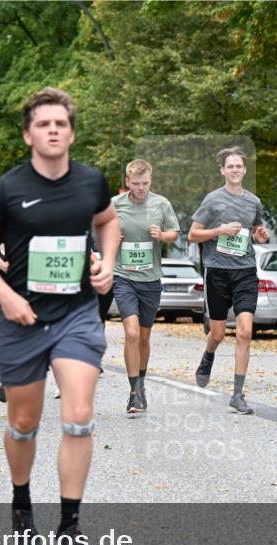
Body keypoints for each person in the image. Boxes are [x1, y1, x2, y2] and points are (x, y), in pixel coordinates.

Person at [0, 87, 120, 545]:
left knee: (77, 414)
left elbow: (108, 221)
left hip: (76, 314)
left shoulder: (91, 181)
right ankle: (21, 500)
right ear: (29, 133)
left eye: (62, 124)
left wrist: (108, 263)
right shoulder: (7, 189)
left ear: (71, 132)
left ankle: (70, 524)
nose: (54, 130)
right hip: (22, 319)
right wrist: (4, 295)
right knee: (24, 423)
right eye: (44, 124)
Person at [187, 146, 270, 415]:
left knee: (245, 331)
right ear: (223, 170)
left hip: (245, 270)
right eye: (230, 166)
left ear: (244, 170)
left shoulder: (253, 201)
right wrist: (219, 230)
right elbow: (192, 235)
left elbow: (255, 230)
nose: (235, 170)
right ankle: (208, 355)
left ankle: (237, 394)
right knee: (219, 333)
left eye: (239, 166)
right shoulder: (212, 200)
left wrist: (260, 235)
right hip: (218, 271)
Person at [111, 159, 180, 415]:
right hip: (123, 276)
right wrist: (110, 237)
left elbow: (175, 232)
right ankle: (133, 394)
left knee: (144, 336)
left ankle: (141, 385)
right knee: (131, 333)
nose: (141, 188)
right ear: (127, 182)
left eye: (145, 183)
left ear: (151, 181)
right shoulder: (114, 205)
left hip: (150, 279)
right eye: (136, 183)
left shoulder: (161, 203)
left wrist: (162, 236)